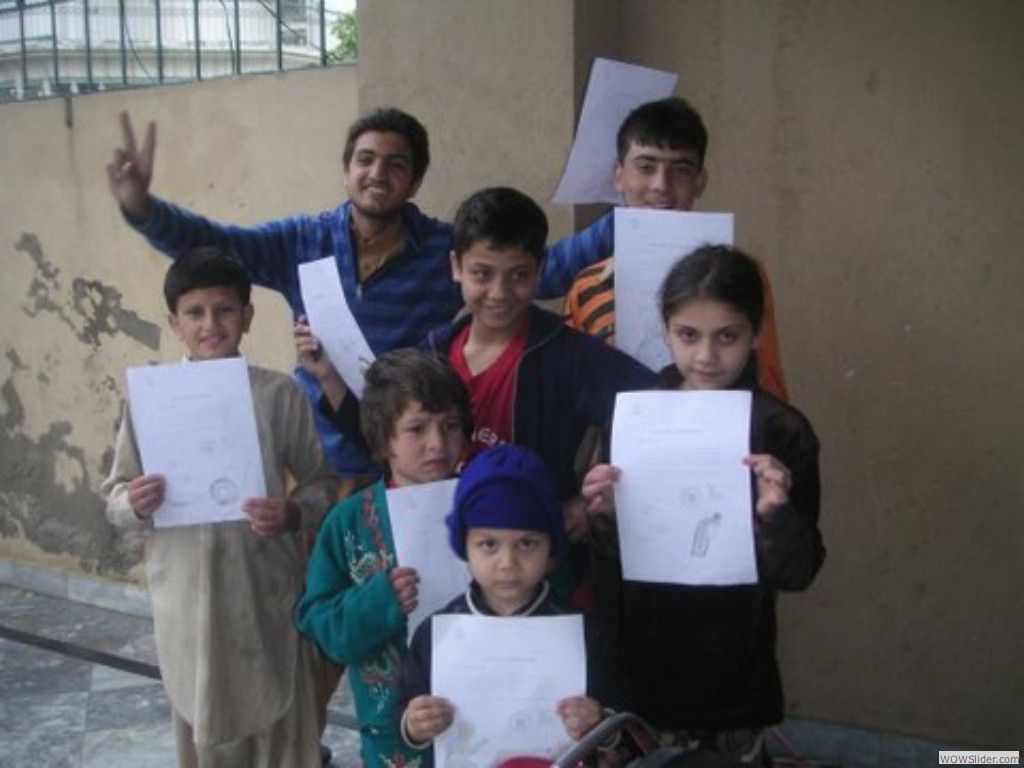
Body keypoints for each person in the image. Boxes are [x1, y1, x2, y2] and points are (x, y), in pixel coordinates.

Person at [107, 108, 607, 477]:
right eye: (365, 160)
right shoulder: (301, 242)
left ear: (414, 181)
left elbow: (550, 268)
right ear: (347, 168)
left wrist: (631, 219)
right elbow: (218, 245)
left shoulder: (442, 251)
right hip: (318, 459)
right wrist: (143, 208)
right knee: (323, 602)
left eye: (395, 164)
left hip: (408, 461)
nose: (378, 174)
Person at [581, 245, 825, 765]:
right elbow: (614, 559)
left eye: (727, 337)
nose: (706, 357)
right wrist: (601, 514)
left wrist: (774, 515)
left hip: (732, 671)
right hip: (642, 661)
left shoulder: (782, 431)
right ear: (666, 329)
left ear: (756, 333)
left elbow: (800, 571)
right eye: (688, 335)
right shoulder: (637, 416)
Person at [102, 248, 338, 767]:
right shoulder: (150, 400)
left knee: (278, 707)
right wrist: (136, 503)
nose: (211, 324)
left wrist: (293, 514)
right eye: (195, 312)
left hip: (262, 587)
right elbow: (116, 496)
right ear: (174, 322)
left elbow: (322, 485)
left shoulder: (279, 395)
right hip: (187, 595)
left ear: (247, 316)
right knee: (201, 707)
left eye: (225, 309)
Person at [295, 349, 472, 768]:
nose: (437, 443)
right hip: (394, 736)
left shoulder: (487, 505)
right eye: (417, 429)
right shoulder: (349, 523)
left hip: (481, 713)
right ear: (382, 441)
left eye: (449, 426)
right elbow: (318, 622)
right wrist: (379, 602)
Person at [562, 97, 789, 402]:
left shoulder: (742, 279)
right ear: (618, 176)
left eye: (680, 170)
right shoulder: (588, 285)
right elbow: (571, 395)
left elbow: (768, 381)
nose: (661, 185)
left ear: (700, 181)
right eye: (645, 167)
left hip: (723, 444)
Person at [395, 445, 608, 762]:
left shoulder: (584, 632)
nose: (508, 563)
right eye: (489, 544)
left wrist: (601, 722)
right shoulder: (436, 635)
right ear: (464, 546)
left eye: (527, 543)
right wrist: (413, 724)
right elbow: (404, 714)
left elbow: (622, 722)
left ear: (551, 546)